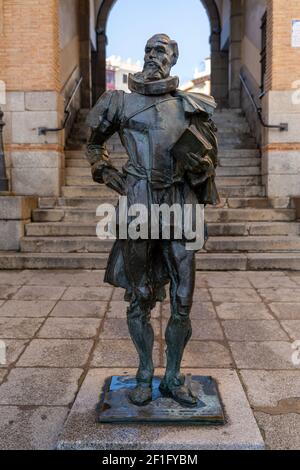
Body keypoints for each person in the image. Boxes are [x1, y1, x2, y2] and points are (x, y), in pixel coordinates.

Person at [86, 34, 219, 407]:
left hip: (181, 203)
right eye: (147, 50)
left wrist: (203, 166)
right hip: (139, 201)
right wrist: (102, 168)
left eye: (160, 51)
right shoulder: (119, 102)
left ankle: (174, 376)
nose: (151, 56)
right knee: (139, 295)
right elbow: (94, 144)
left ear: (174, 58)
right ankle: (144, 374)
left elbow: (208, 159)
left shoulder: (192, 105)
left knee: (182, 298)